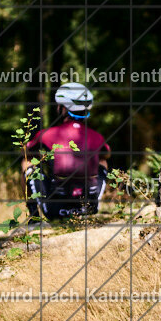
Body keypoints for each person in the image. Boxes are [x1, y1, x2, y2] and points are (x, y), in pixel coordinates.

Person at [22, 83, 110, 221]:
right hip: (88, 207)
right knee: (102, 162)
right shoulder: (97, 136)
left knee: (27, 161)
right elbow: (106, 155)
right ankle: (94, 201)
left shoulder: (48, 134)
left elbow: (27, 151)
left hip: (54, 209)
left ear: (63, 109)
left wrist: (47, 159)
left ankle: (33, 217)